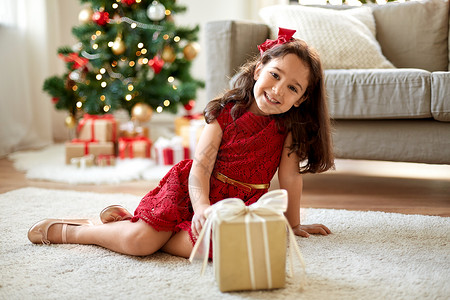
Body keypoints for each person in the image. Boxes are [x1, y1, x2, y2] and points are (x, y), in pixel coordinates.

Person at [28, 28, 334, 258]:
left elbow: (290, 178)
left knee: (223, 248)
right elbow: (200, 169)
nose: (278, 90)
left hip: (239, 205)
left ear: (301, 98)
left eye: (292, 87)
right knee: (141, 245)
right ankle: (82, 231)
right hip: (193, 190)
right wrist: (201, 208)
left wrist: (292, 224)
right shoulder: (224, 113)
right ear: (258, 70)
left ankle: (138, 225)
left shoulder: (288, 128)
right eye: (275, 75)